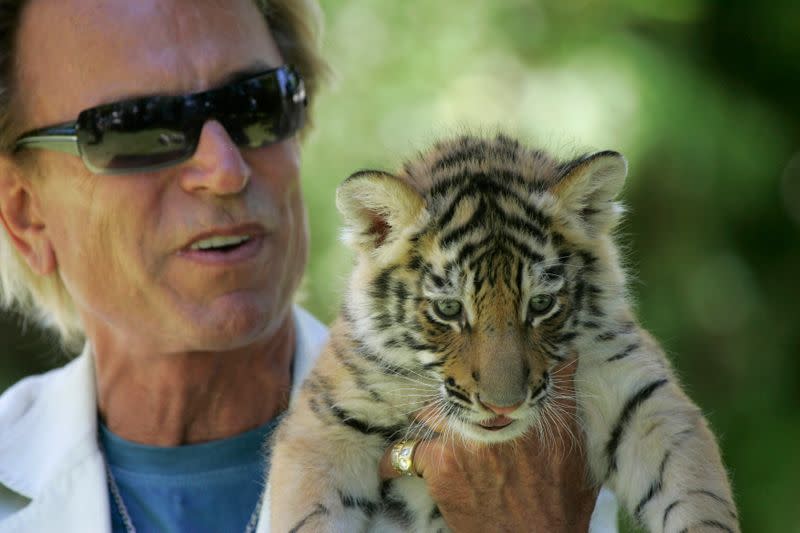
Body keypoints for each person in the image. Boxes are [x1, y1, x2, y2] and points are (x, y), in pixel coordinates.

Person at [0, 0, 618, 531]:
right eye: (135, 126)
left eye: (253, 103)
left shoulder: (523, 451)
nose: (225, 169)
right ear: (26, 215)